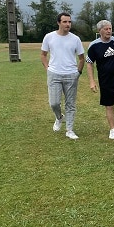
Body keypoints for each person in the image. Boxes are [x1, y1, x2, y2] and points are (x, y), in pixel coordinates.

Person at [40, 12, 85, 140]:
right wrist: (48, 68)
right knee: (54, 103)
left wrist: (78, 72)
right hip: (54, 74)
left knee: (70, 104)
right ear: (58, 23)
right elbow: (43, 55)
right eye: (65, 22)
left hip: (71, 75)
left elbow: (81, 58)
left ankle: (69, 130)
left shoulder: (75, 39)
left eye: (69, 22)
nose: (68, 24)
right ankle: (59, 117)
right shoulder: (49, 37)